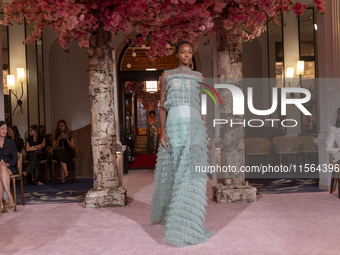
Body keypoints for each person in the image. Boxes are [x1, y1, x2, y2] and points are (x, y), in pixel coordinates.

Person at [149, 41, 214, 247]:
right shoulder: (167, 75)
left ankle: (187, 221)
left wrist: (207, 134)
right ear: (176, 54)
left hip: (195, 127)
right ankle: (173, 214)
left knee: (191, 174)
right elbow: (162, 106)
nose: (186, 55)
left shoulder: (199, 77)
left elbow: (199, 107)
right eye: (183, 52)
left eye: (189, 52)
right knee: (176, 173)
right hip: (175, 127)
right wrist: (162, 131)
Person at [0, 121, 17, 210]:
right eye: (2, 129)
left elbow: (14, 159)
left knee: (3, 168)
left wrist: (7, 164)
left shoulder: (11, 143)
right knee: (1, 170)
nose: (5, 131)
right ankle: (10, 199)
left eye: (6, 129)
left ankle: (3, 202)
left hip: (9, 167)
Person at [52, 120, 75, 184]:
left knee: (62, 157)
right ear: (58, 127)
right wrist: (58, 139)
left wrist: (67, 139)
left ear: (65, 126)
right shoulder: (55, 135)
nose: (61, 127)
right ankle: (66, 172)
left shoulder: (69, 134)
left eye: (63, 126)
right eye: (60, 126)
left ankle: (63, 179)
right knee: (60, 155)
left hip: (67, 152)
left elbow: (72, 147)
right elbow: (54, 147)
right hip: (58, 152)